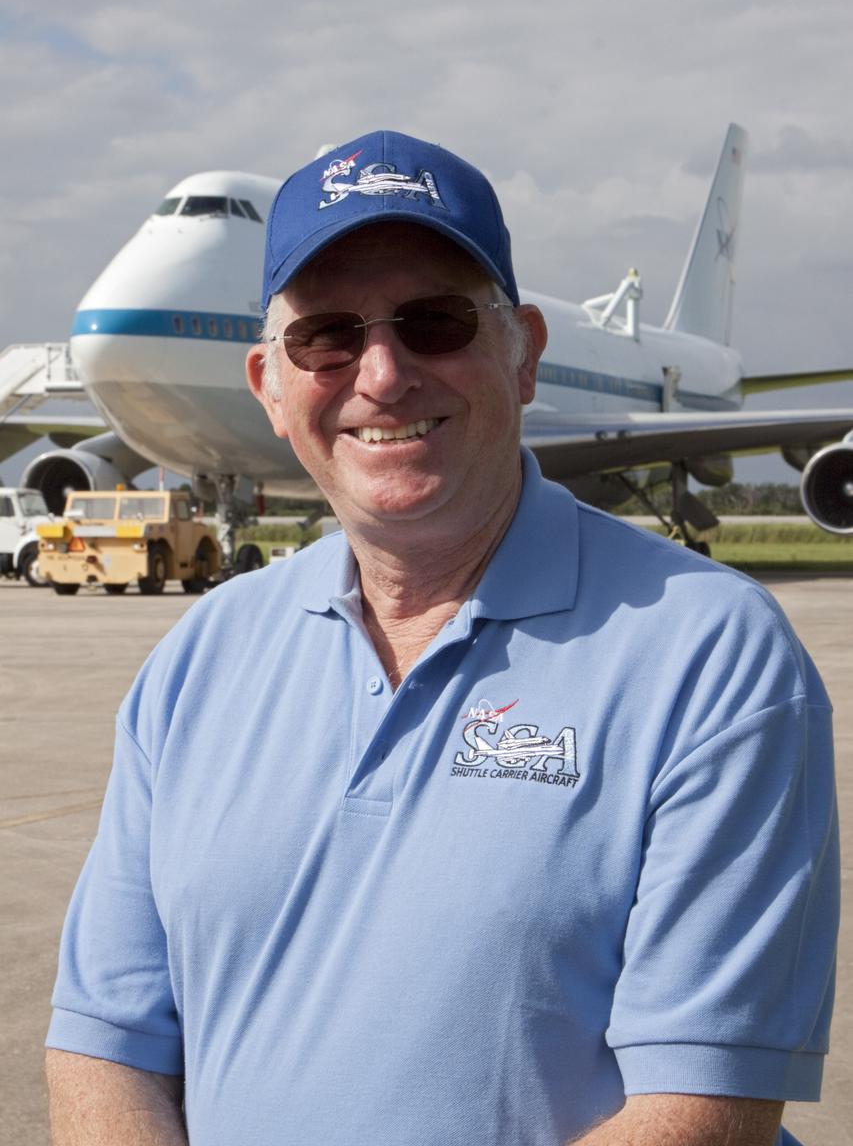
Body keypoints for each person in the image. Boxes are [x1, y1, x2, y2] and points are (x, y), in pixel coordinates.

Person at [46, 131, 838, 1145]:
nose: (381, 373)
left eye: (435, 323)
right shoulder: (196, 661)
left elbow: (701, 1113)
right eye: (325, 337)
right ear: (270, 386)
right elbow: (105, 1042)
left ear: (524, 355)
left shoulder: (711, 653)